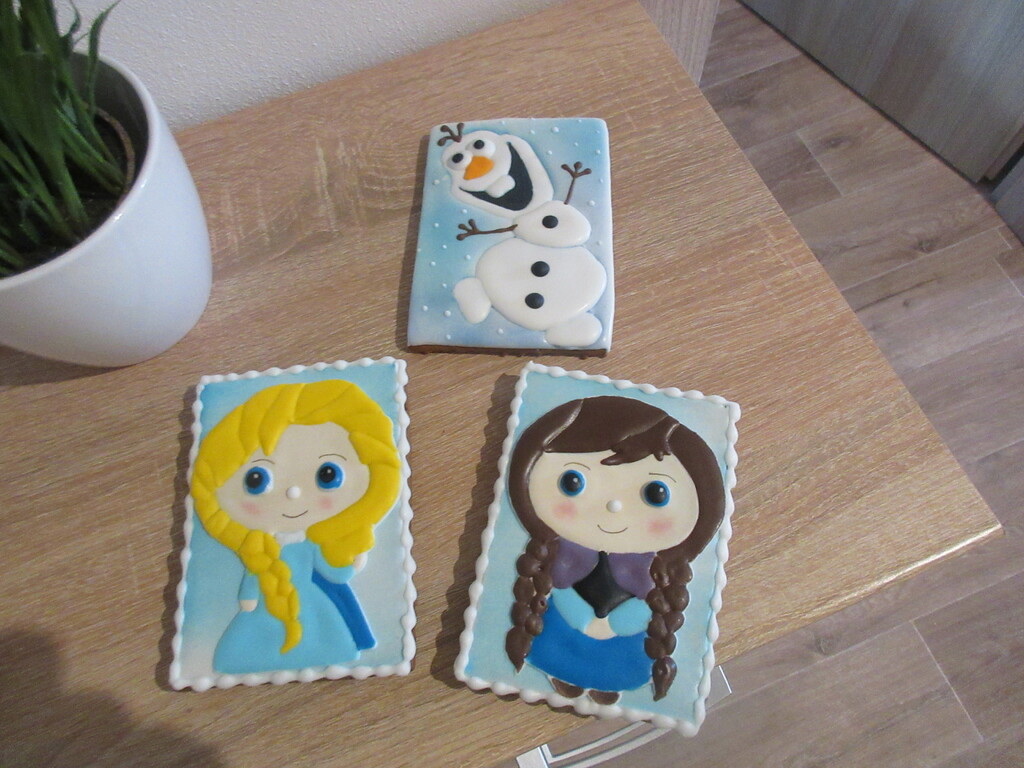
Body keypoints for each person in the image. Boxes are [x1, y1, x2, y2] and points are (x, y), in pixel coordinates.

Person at [505, 396, 725, 703]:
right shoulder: (558, 558)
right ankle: (559, 672)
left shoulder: (654, 573)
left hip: (626, 645)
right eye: (572, 481)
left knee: (626, 660)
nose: (614, 505)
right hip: (561, 629)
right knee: (555, 640)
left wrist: (628, 618)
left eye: (656, 493)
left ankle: (609, 683)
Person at [190, 379, 400, 674]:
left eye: (327, 474)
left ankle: (326, 648)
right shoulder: (260, 548)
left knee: (324, 630)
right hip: (268, 608)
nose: (293, 493)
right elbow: (255, 572)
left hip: (312, 603)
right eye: (256, 480)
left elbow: (336, 574)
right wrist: (249, 597)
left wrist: (347, 555)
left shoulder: (312, 543)